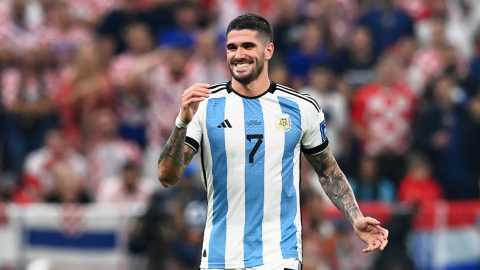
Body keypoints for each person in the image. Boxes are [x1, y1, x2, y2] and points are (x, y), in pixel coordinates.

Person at [157, 14, 388, 270]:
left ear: (269, 50)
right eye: (232, 47)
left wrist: (355, 217)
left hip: (280, 255)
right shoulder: (205, 105)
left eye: (248, 46)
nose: (238, 54)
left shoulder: (301, 108)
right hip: (220, 257)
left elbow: (328, 170)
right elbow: (168, 176)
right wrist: (181, 122)